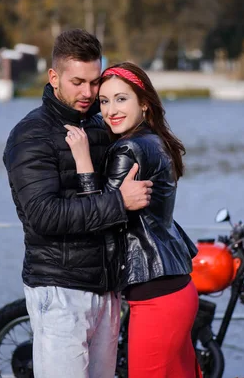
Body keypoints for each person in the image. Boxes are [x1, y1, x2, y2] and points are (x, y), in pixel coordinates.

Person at [2, 30, 153, 378]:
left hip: (107, 293)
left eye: (94, 81)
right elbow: (44, 216)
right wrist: (119, 202)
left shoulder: (102, 127)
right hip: (60, 291)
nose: (88, 93)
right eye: (77, 82)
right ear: (53, 77)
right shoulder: (30, 136)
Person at [64, 62, 200, 377]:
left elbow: (98, 218)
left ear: (144, 103)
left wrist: (84, 161)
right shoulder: (155, 140)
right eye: (105, 100)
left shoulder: (128, 148)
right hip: (176, 289)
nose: (111, 110)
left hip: (156, 299)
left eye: (121, 99)